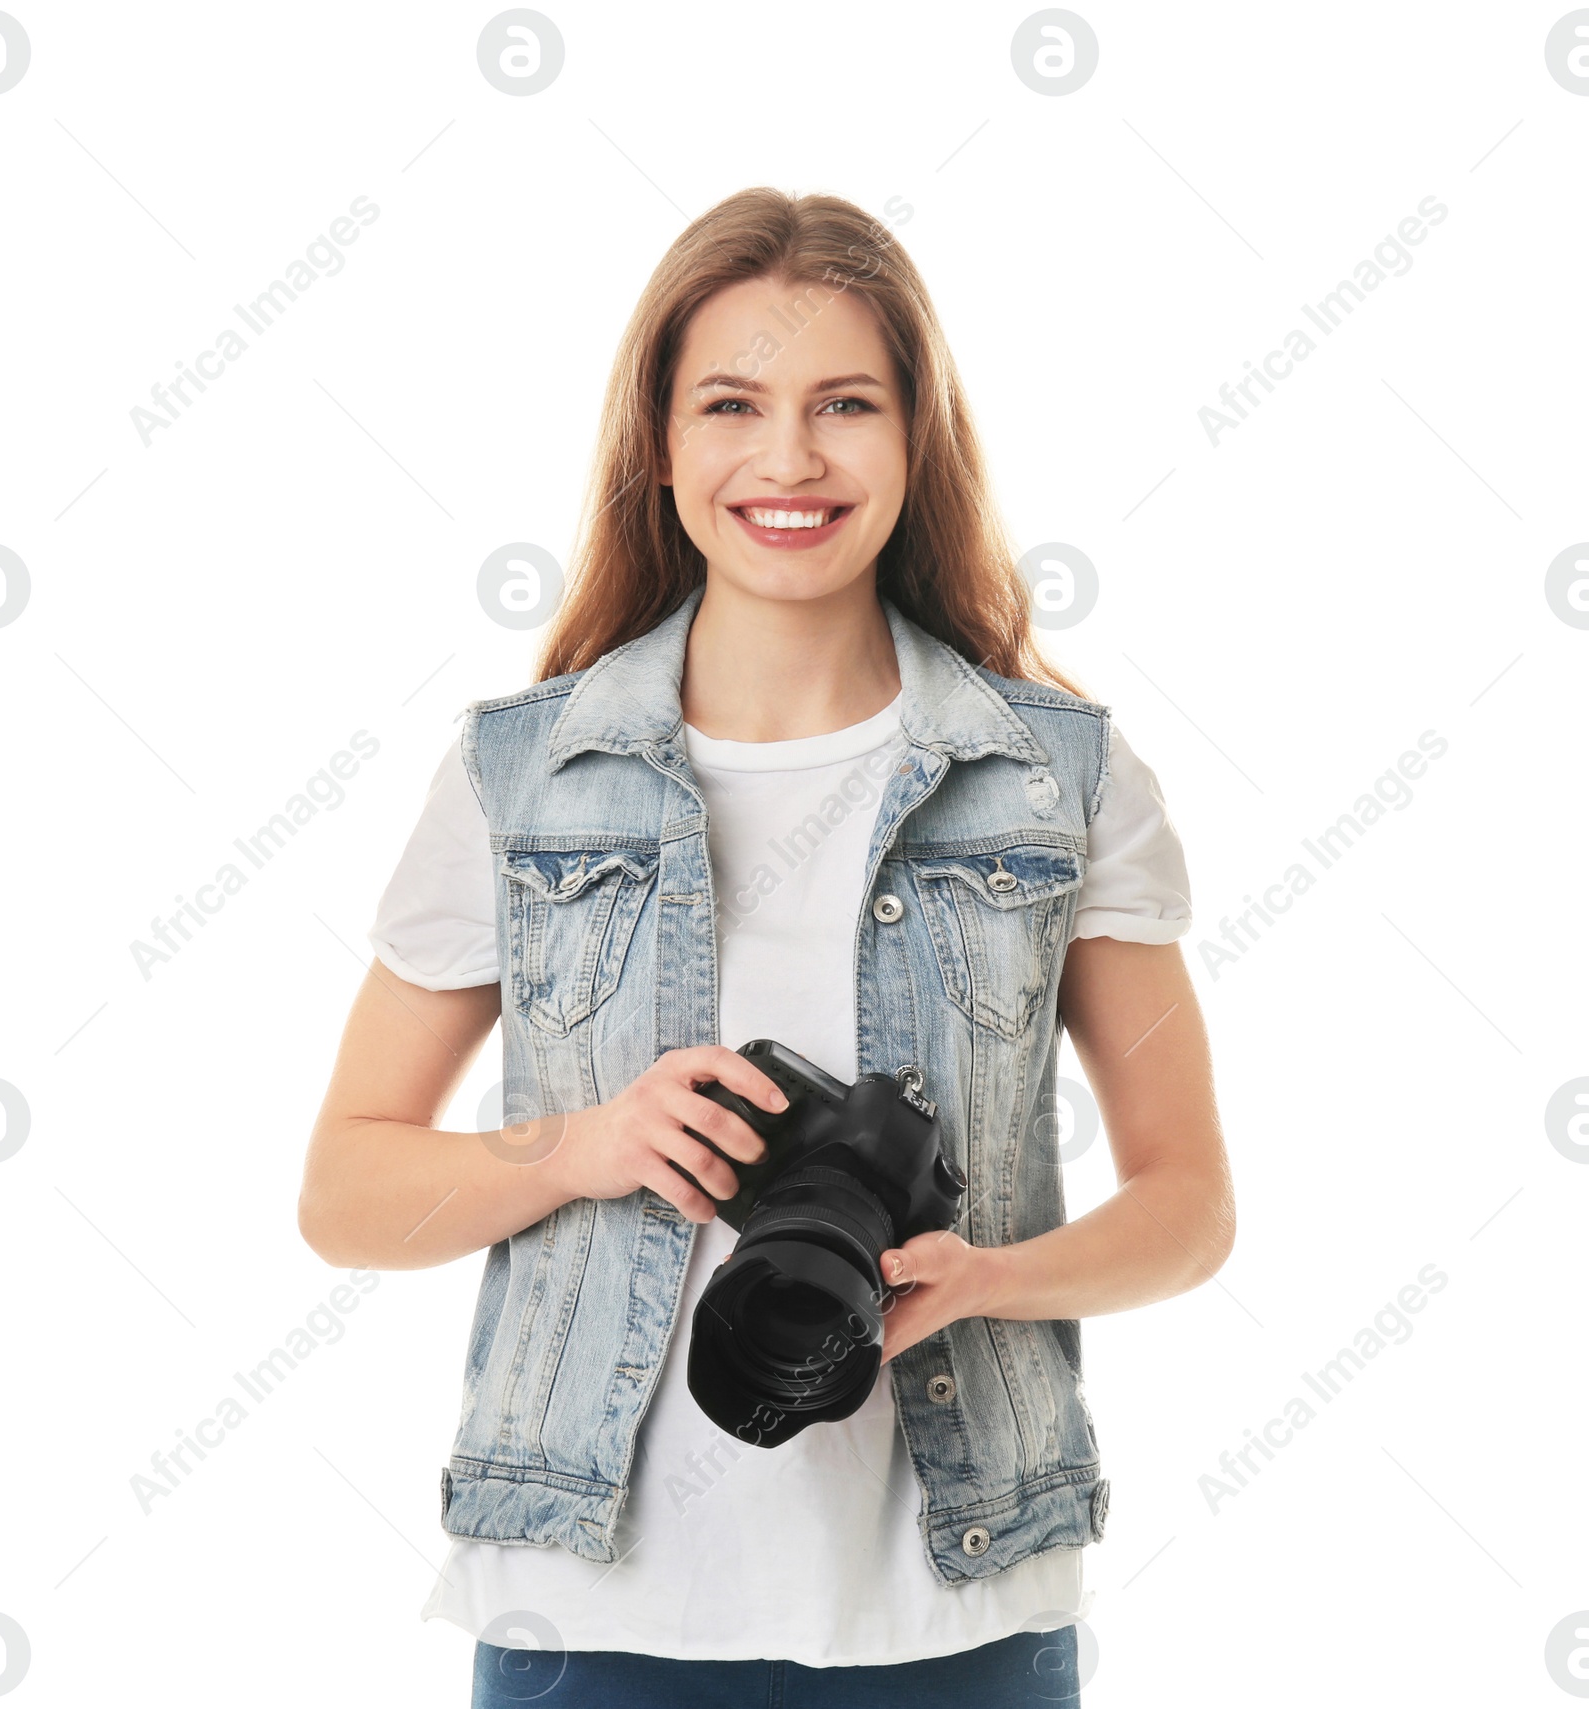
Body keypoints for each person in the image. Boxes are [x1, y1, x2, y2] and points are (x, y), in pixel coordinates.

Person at [299, 187, 1234, 1709]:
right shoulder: (522, 776)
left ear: (914, 436)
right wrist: (582, 1146)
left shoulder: (1058, 780)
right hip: (591, 1614)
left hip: (960, 1613)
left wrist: (987, 1275)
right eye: (731, 402)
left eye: (844, 404)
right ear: (660, 443)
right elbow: (343, 1188)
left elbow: (1192, 1203)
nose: (788, 458)